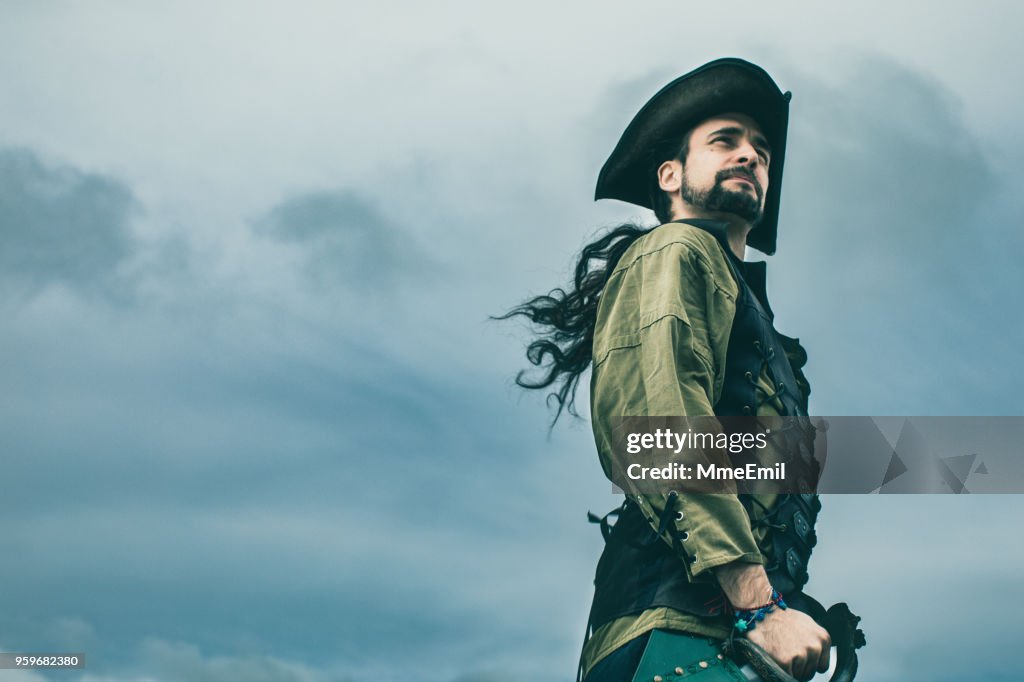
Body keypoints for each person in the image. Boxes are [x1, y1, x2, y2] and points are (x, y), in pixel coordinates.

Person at [501, 59, 832, 681]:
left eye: (761, 150)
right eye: (724, 141)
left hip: (725, 640)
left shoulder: (747, 307)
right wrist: (760, 606)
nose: (751, 156)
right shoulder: (679, 249)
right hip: (680, 639)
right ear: (670, 174)